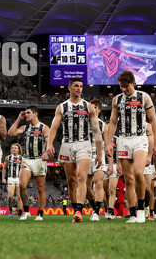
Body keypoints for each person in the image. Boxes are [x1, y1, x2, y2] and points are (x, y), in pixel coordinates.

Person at [105, 70, 156, 224]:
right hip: (123, 139)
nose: (124, 89)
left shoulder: (144, 97)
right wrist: (109, 143)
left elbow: (153, 120)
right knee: (128, 180)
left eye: (126, 86)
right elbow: (113, 122)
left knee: (138, 173)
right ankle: (133, 213)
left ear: (134, 83)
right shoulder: (116, 100)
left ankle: (142, 210)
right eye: (121, 87)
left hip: (139, 139)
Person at [46, 77, 102, 223]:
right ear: (69, 88)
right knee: (70, 181)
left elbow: (96, 131)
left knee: (81, 177)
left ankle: (78, 211)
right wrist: (49, 144)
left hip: (84, 144)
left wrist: (100, 153)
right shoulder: (62, 107)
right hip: (67, 145)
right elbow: (53, 128)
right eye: (76, 86)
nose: (79, 88)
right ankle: (92, 208)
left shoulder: (89, 107)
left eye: (81, 86)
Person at [8, 106, 49, 221]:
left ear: (35, 114)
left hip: (39, 159)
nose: (26, 115)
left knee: (40, 188)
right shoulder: (25, 127)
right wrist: (18, 118)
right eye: (25, 113)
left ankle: (40, 213)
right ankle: (26, 211)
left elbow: (48, 140)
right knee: (22, 185)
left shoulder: (44, 127)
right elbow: (11, 133)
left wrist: (47, 152)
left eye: (28, 113)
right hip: (26, 159)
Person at [87, 99, 107, 221]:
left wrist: (110, 163)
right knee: (85, 186)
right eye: (90, 107)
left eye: (95, 107)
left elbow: (108, 143)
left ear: (99, 110)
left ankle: (97, 211)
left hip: (99, 154)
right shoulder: (83, 123)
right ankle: (94, 206)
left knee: (99, 182)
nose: (92, 109)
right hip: (84, 155)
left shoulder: (104, 125)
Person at [2, 144, 24, 219]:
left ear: (18, 150)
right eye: (13, 148)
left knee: (19, 196)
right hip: (11, 178)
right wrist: (3, 178)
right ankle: (10, 209)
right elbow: (4, 168)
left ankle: (20, 212)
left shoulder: (22, 158)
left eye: (15, 148)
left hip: (19, 179)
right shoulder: (8, 157)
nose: (14, 149)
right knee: (10, 196)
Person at [104, 135, 122, 220]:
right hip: (103, 165)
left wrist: (119, 164)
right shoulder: (100, 138)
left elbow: (120, 152)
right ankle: (107, 208)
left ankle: (111, 210)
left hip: (114, 165)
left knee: (112, 189)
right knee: (105, 190)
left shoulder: (117, 139)